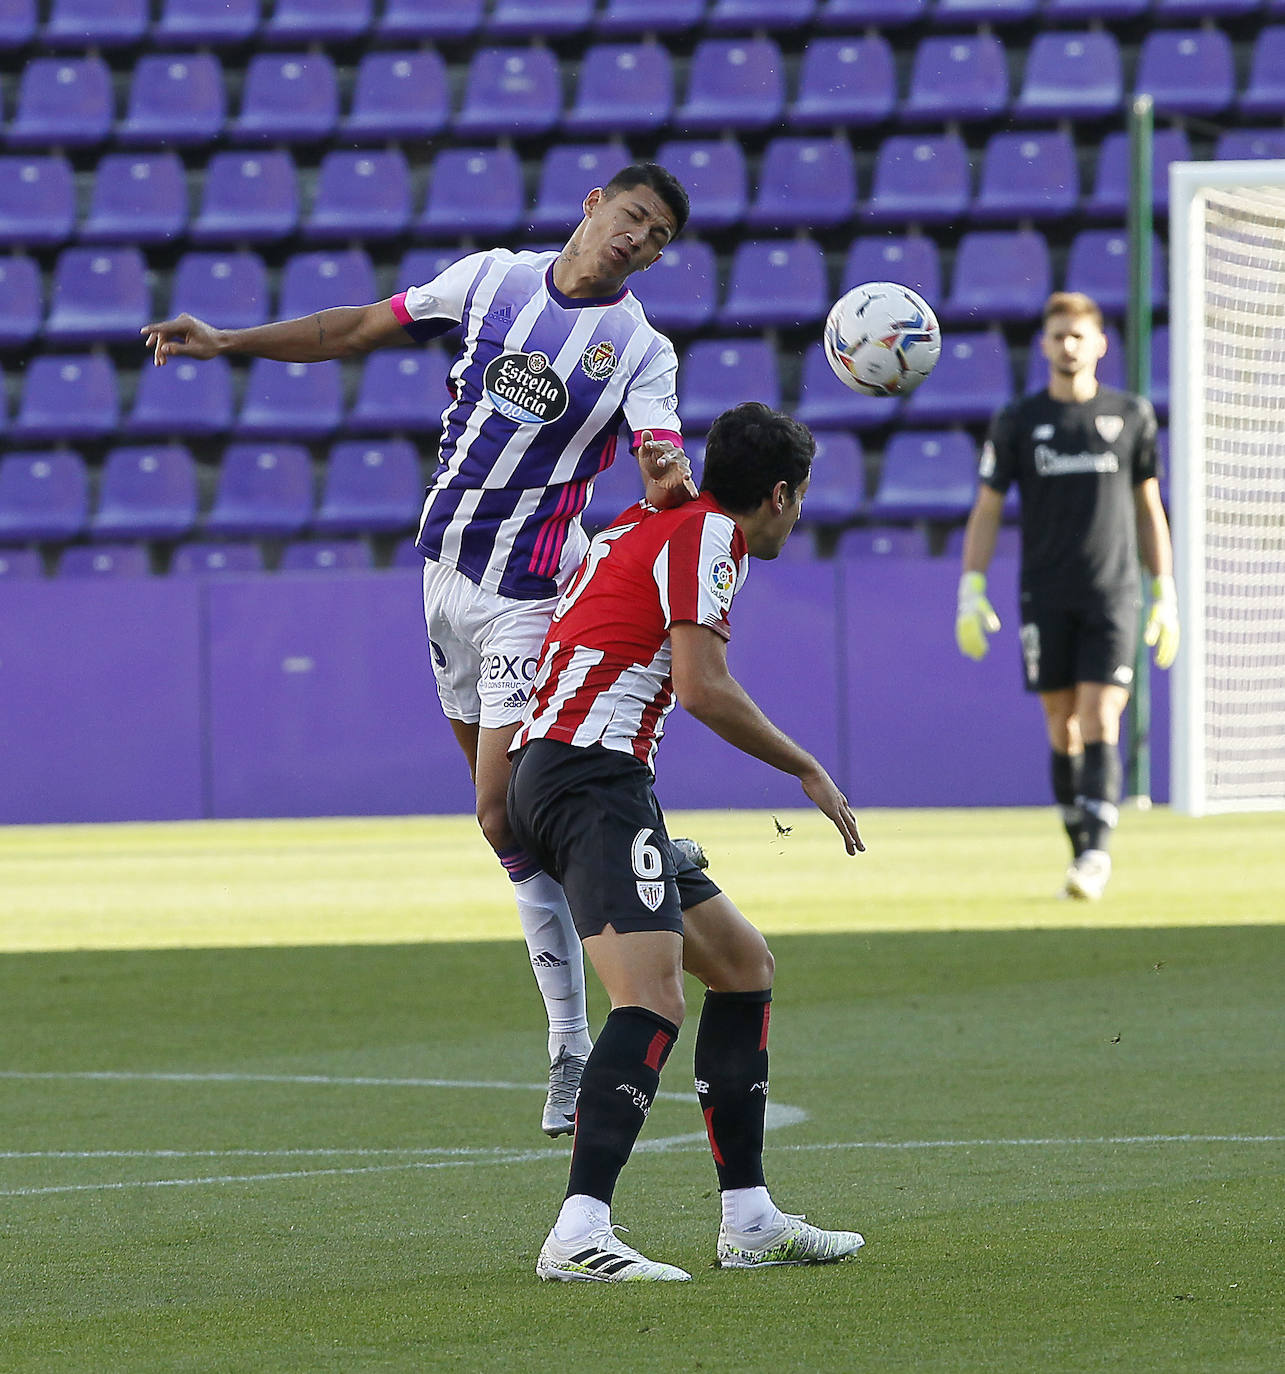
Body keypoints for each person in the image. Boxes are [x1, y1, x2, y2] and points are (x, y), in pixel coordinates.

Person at [142, 164, 698, 1135]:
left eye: (654, 238)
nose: (635, 240)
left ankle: (572, 1045)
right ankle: (646, 857)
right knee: (506, 830)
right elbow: (358, 326)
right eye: (631, 216)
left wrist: (667, 479)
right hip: (444, 578)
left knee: (503, 805)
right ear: (593, 205)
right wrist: (229, 341)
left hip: (531, 591)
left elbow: (660, 454)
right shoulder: (490, 279)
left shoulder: (640, 350)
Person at [507, 401, 867, 1283]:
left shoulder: (656, 518)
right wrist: (806, 768)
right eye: (799, 497)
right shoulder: (708, 535)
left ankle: (749, 1221)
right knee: (651, 999)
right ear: (779, 495)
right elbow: (702, 687)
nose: (796, 514)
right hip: (589, 777)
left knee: (741, 966)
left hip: (576, 773)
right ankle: (578, 1231)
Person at [954, 291, 1180, 901]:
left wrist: (1165, 589)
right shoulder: (1019, 420)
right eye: (1058, 336)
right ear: (1044, 345)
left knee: (1101, 714)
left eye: (1079, 335)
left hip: (1114, 592)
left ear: (1101, 344)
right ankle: (1081, 851)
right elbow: (988, 508)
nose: (1069, 345)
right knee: (1062, 725)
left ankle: (1097, 854)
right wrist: (971, 585)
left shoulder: (1131, 416)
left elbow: (1149, 507)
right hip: (1045, 593)